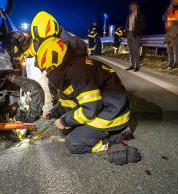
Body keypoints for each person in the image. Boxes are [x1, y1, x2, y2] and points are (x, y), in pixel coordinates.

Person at [37, 37, 141, 165]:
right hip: (107, 106)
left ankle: (113, 139)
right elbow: (69, 102)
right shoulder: (71, 68)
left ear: (55, 62)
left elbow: (90, 109)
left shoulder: (78, 72)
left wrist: (64, 120)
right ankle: (113, 132)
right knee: (67, 128)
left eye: (48, 70)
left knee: (73, 143)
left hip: (112, 113)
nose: (48, 74)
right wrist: (53, 113)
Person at [10, 11, 88, 59]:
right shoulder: (39, 40)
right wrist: (23, 45)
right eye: (38, 39)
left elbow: (83, 51)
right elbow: (31, 51)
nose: (41, 42)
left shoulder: (69, 41)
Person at [125, 1, 146, 72]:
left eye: (134, 6)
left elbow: (143, 26)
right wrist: (126, 33)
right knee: (130, 51)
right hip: (129, 34)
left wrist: (137, 33)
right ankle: (132, 65)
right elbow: (127, 25)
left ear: (137, 7)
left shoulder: (140, 15)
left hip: (135, 35)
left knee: (135, 51)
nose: (133, 7)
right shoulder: (129, 15)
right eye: (132, 6)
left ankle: (137, 66)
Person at [163, 0, 178, 71]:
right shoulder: (171, 8)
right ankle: (170, 64)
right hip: (169, 32)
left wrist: (172, 19)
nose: (174, 1)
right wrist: (168, 12)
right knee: (169, 50)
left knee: (176, 50)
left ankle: (176, 65)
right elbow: (164, 18)